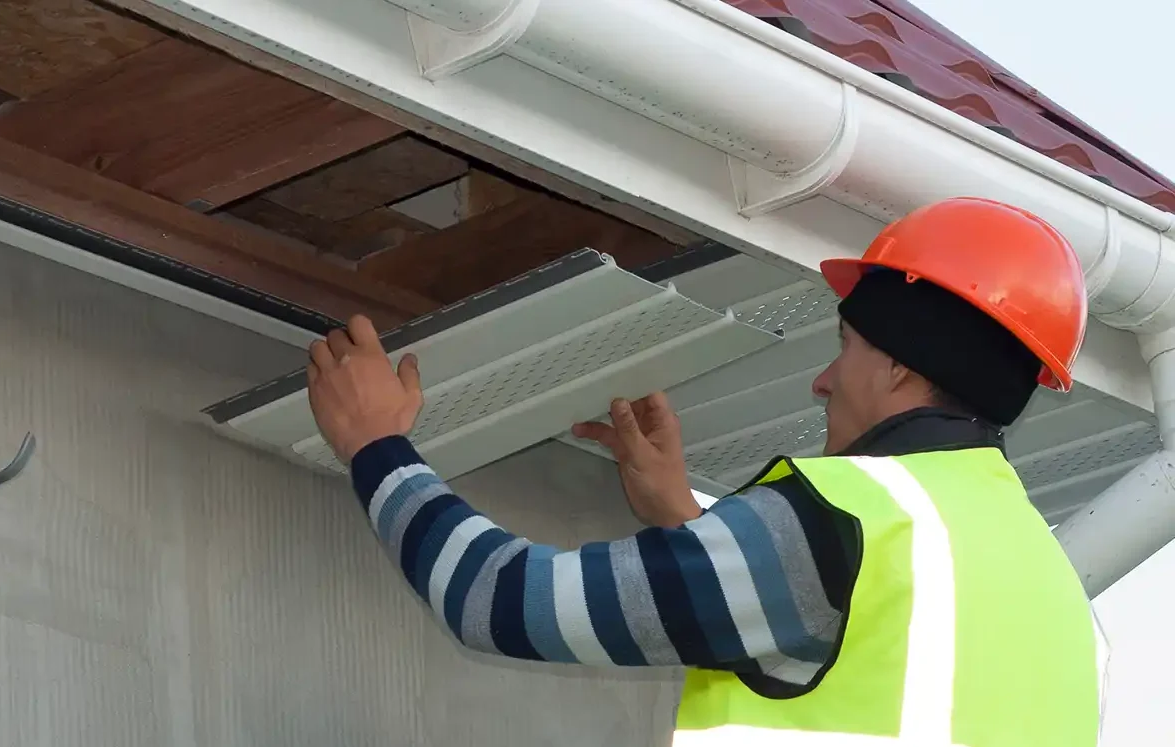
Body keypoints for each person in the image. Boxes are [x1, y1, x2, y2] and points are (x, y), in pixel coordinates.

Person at [305, 197, 1105, 746]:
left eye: (845, 350)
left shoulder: (844, 518)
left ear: (899, 367)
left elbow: (497, 599)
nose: (822, 381)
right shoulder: (1054, 591)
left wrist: (378, 447)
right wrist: (682, 520)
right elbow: (853, 669)